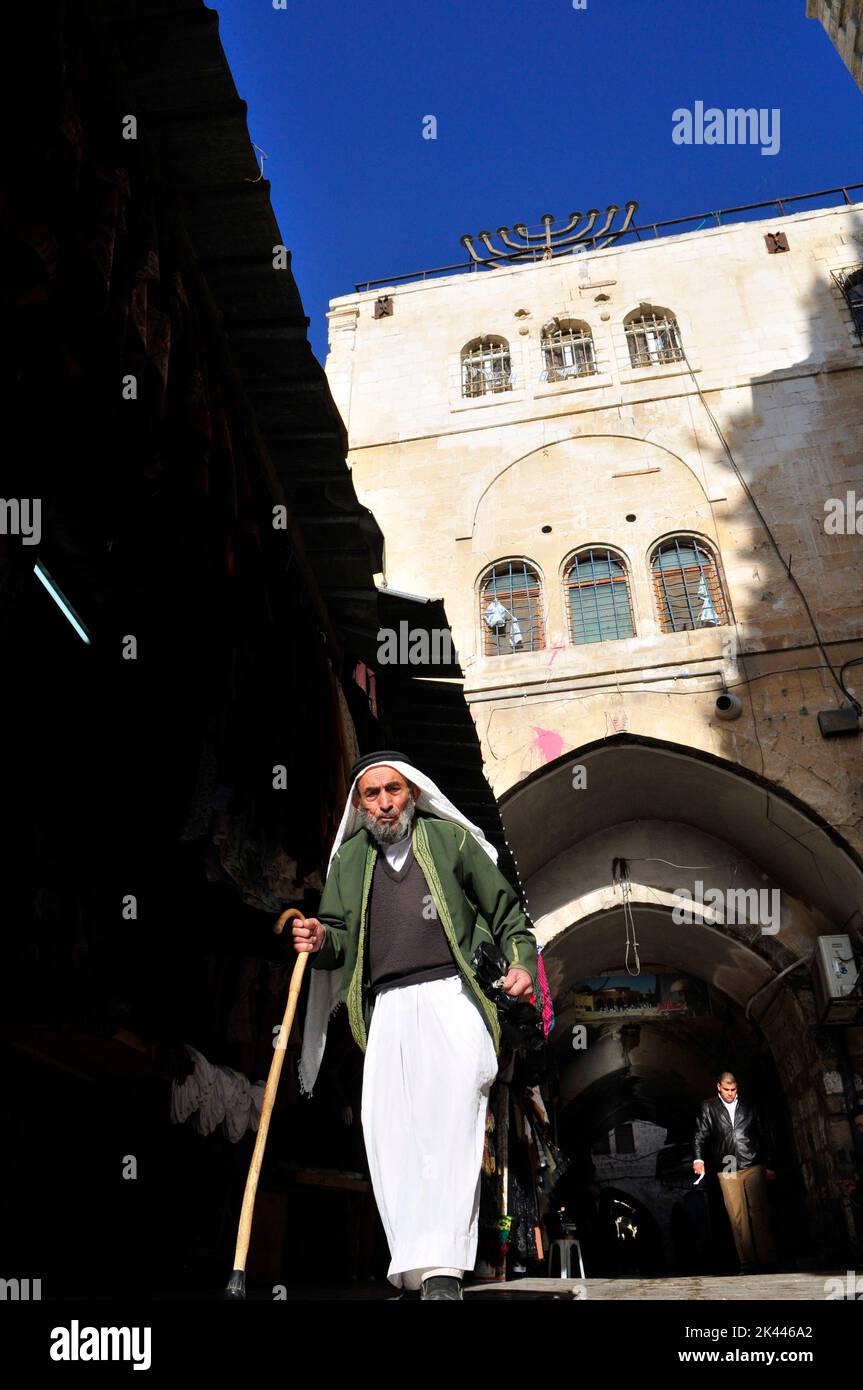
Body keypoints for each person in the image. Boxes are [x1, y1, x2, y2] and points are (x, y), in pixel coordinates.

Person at [291, 751, 538, 1301]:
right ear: (360, 803)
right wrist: (317, 937)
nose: (384, 804)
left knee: (450, 1128)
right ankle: (412, 1266)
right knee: (389, 1134)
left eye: (393, 791)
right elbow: (335, 935)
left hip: (452, 996)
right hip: (387, 1007)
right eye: (372, 795)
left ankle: (444, 1267)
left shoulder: (449, 840)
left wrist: (521, 961)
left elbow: (507, 913)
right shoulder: (351, 859)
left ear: (413, 793)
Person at [692, 1070, 777, 1273]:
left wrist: (769, 1163)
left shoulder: (749, 1104)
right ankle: (747, 1261)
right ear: (719, 1087)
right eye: (726, 1089)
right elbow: (699, 1135)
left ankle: (767, 1259)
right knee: (737, 1214)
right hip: (728, 1163)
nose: (730, 1093)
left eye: (733, 1089)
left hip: (752, 1160)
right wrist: (698, 1159)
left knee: (759, 1211)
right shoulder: (709, 1107)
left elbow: (764, 1133)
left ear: (736, 1087)